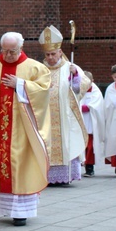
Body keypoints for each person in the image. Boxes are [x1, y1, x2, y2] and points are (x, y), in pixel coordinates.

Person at [0, 31, 50, 226]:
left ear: (21, 48)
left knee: (21, 167)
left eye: (12, 51)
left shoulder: (35, 68)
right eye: (4, 51)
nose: (8, 55)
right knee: (4, 167)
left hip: (23, 131)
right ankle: (9, 209)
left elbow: (43, 91)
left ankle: (21, 212)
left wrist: (21, 85)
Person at [39, 25, 89, 186]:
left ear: (60, 52)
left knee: (66, 142)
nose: (51, 57)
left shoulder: (70, 68)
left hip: (64, 115)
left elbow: (81, 88)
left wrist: (75, 77)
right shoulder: (40, 69)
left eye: (53, 54)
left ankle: (66, 176)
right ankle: (47, 177)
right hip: (45, 116)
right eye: (48, 54)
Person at [79, 71, 105, 177]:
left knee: (90, 146)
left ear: (92, 81)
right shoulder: (79, 89)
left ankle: (90, 167)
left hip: (91, 121)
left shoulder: (96, 91)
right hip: (81, 121)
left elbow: (97, 104)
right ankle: (80, 165)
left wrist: (87, 107)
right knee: (81, 145)